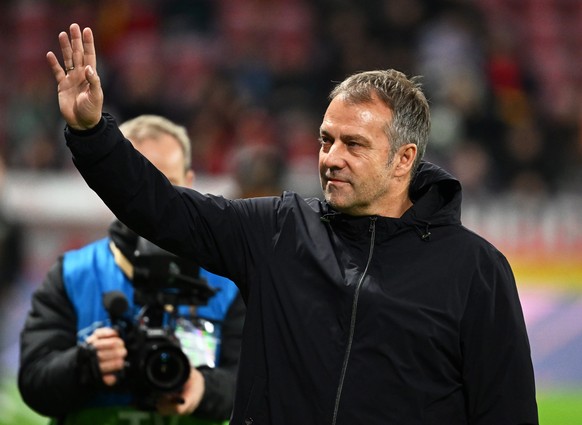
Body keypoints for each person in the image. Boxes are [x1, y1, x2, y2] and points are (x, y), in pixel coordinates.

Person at [45, 23, 538, 424]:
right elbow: (161, 208)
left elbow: (507, 411)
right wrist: (91, 132)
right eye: (326, 140)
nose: (331, 158)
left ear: (404, 158)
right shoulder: (279, 230)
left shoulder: (475, 270)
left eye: (354, 144)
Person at [18, 114, 245, 425]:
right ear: (111, 185)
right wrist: (85, 365)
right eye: (134, 183)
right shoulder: (73, 275)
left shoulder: (228, 283)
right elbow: (33, 383)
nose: (152, 199)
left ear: (190, 182)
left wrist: (203, 388)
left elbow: (254, 383)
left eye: (166, 183)